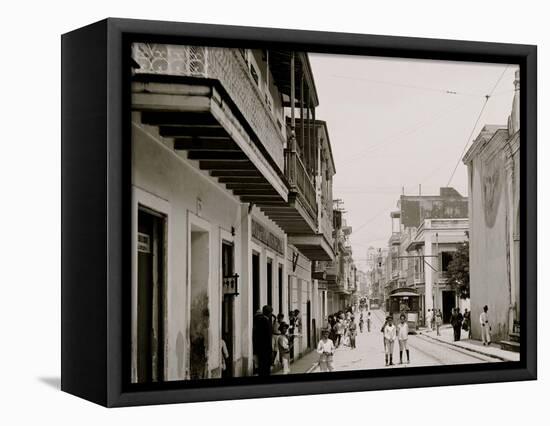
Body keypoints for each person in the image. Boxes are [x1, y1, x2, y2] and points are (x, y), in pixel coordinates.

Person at [252, 305, 273, 376]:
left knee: (261, 369)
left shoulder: (258, 321)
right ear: (269, 313)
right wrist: (270, 351)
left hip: (259, 349)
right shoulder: (266, 322)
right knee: (266, 369)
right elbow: (268, 338)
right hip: (266, 350)